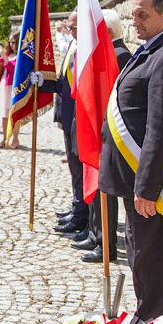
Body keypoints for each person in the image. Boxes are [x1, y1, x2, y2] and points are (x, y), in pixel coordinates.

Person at [99, 0, 163, 323]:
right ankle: (144, 317)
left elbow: (162, 128)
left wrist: (148, 186)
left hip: (153, 184)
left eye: (143, 15)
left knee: (150, 257)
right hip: (137, 176)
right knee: (139, 252)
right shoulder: (152, 49)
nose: (134, 21)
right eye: (134, 13)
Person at [74, 9, 130, 263]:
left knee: (104, 190)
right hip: (99, 131)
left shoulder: (118, 55)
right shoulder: (108, 52)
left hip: (107, 132)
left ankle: (105, 242)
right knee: (96, 188)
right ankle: (97, 234)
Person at [53, 14, 87, 236]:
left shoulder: (85, 48)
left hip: (79, 117)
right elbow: (64, 82)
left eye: (73, 26)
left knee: (80, 168)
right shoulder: (74, 44)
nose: (69, 29)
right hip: (67, 115)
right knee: (74, 169)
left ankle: (82, 215)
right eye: (69, 25)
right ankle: (77, 206)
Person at [0, 32, 20, 149]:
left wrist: (3, 56)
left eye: (13, 42)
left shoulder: (20, 56)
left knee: (14, 113)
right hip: (4, 84)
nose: (11, 44)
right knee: (4, 113)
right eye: (9, 42)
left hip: (14, 85)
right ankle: (5, 138)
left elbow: (14, 69)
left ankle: (15, 139)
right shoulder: (7, 54)